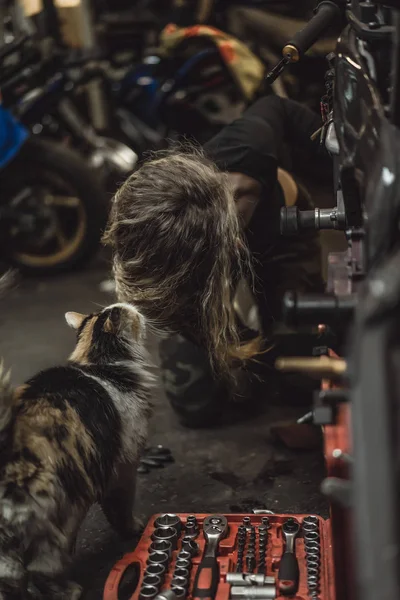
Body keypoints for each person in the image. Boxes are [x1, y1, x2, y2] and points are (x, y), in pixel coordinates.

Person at [103, 94, 327, 426]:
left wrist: (344, 169)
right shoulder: (152, 215)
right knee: (197, 409)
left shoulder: (248, 148)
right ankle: (243, 324)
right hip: (200, 255)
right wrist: (226, 338)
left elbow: (277, 106)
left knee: (298, 382)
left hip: (282, 232)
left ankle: (271, 317)